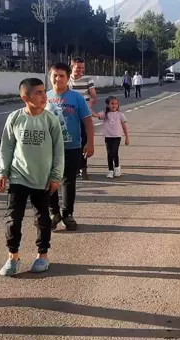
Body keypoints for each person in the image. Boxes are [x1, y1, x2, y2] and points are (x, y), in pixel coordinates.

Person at [0, 78, 64, 276]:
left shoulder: (50, 120)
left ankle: (42, 255)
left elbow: (58, 150)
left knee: (42, 218)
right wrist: (3, 172)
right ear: (25, 97)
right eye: (38, 93)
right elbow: (7, 147)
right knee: (13, 218)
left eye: (44, 92)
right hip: (18, 176)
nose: (44, 96)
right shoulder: (15, 118)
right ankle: (13, 257)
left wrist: (55, 176)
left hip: (42, 179)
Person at [46, 62, 95, 231]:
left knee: (69, 181)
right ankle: (54, 213)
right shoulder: (44, 97)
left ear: (67, 78)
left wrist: (89, 143)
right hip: (49, 148)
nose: (58, 78)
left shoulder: (77, 98)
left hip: (72, 147)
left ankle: (68, 214)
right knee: (49, 181)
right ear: (49, 76)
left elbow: (87, 121)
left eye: (62, 76)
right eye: (55, 75)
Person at [69, 57, 98, 180]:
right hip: (69, 115)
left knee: (83, 140)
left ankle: (83, 167)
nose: (80, 70)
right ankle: (73, 168)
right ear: (72, 67)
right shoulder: (66, 80)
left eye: (82, 68)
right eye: (78, 67)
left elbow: (94, 97)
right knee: (70, 141)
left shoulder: (88, 80)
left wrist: (87, 106)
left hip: (83, 115)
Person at [92, 96, 130, 178]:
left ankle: (117, 168)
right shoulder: (105, 114)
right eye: (112, 104)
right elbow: (96, 115)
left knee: (114, 152)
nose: (114, 105)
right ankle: (110, 170)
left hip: (117, 136)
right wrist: (88, 109)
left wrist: (127, 137)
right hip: (108, 137)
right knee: (109, 153)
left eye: (116, 104)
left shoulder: (120, 115)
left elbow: (124, 127)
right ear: (108, 105)